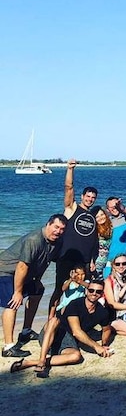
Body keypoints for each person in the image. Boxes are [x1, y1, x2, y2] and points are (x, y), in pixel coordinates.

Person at [11, 278, 115, 378]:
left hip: (67, 342)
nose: (94, 293)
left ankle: (29, 363)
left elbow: (106, 329)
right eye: (91, 290)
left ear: (101, 294)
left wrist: (104, 345)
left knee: (76, 356)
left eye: (98, 291)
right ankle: (42, 361)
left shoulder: (102, 312)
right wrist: (96, 346)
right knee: (54, 320)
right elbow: (76, 332)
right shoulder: (75, 304)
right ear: (86, 291)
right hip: (51, 334)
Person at [1, 214, 67, 358]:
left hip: (25, 274)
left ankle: (25, 332)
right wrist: (18, 292)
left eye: (62, 229)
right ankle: (8, 347)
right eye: (56, 227)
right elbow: (22, 267)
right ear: (48, 224)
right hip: (6, 271)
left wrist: (37, 279)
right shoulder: (34, 239)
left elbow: (45, 261)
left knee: (38, 290)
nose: (58, 231)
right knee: (12, 303)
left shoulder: (58, 241)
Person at [52, 160, 98, 313]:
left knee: (81, 291)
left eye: (93, 197)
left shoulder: (92, 216)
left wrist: (92, 260)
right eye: (88, 196)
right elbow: (68, 188)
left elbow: (92, 240)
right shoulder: (72, 208)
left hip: (83, 260)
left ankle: (75, 319)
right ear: (82, 196)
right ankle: (51, 320)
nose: (90, 199)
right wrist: (70, 169)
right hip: (66, 257)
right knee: (60, 289)